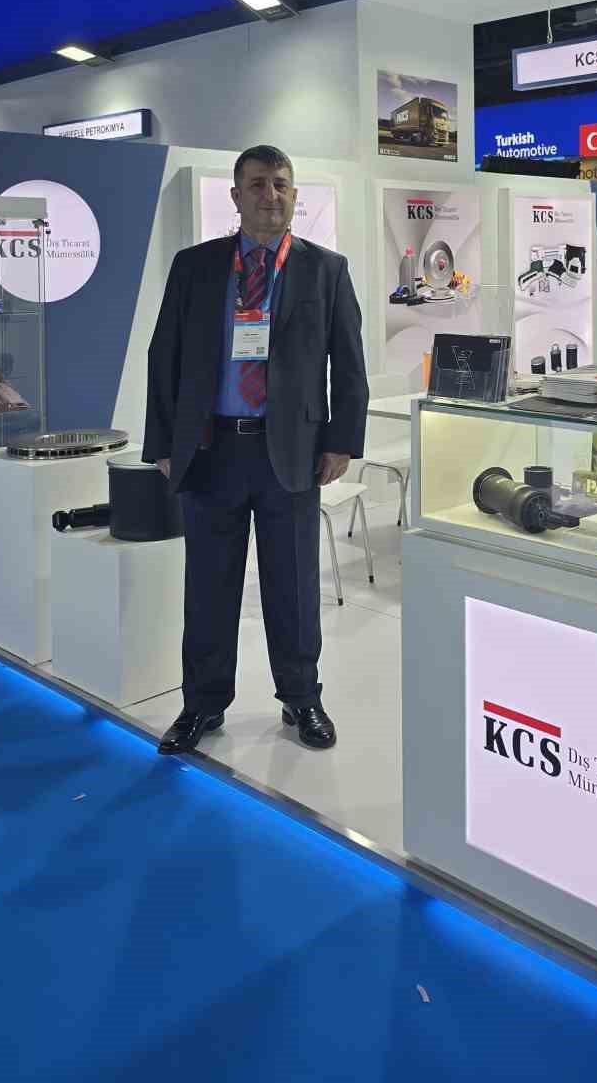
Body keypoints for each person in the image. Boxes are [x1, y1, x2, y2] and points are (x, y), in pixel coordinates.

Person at [144, 145, 369, 754]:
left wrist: (342, 441)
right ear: (236, 196)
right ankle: (202, 704)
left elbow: (349, 363)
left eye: (281, 184)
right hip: (211, 448)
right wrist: (163, 442)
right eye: (258, 184)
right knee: (208, 585)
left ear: (294, 195)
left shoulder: (326, 269)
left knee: (293, 586)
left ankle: (302, 698)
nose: (271, 195)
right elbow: (164, 356)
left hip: (292, 453)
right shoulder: (195, 267)